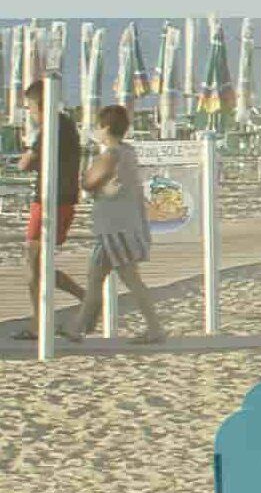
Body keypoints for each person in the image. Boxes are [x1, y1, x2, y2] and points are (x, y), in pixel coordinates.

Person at [71, 104, 163, 343]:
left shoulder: (112, 154)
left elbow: (88, 183)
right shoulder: (128, 152)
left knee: (129, 278)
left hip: (115, 228)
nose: (96, 131)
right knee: (96, 277)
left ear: (106, 127)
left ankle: (155, 328)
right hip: (118, 226)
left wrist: (87, 176)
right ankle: (78, 327)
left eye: (98, 126)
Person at [14, 77, 85, 328]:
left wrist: (26, 156)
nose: (30, 113)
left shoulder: (51, 127)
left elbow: (25, 163)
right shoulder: (65, 125)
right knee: (40, 264)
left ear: (38, 105)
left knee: (34, 263)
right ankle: (84, 299)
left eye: (30, 108)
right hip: (62, 198)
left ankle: (38, 323)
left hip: (49, 199)